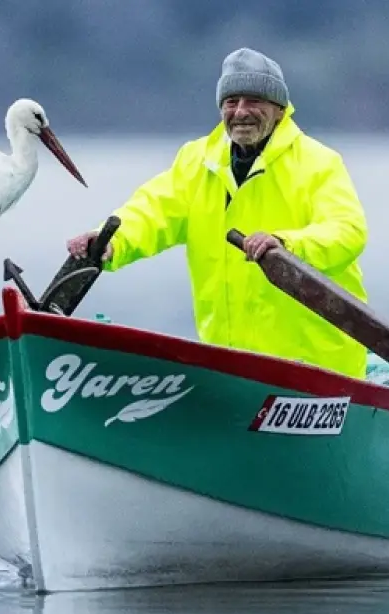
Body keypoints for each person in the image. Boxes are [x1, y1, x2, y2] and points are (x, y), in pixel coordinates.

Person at [68, 47, 370, 378]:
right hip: (232, 370)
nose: (241, 112)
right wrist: (111, 242)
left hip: (321, 371)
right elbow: (151, 212)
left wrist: (287, 245)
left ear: (280, 110)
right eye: (231, 101)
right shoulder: (195, 161)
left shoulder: (319, 163)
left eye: (253, 100)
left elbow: (347, 231)